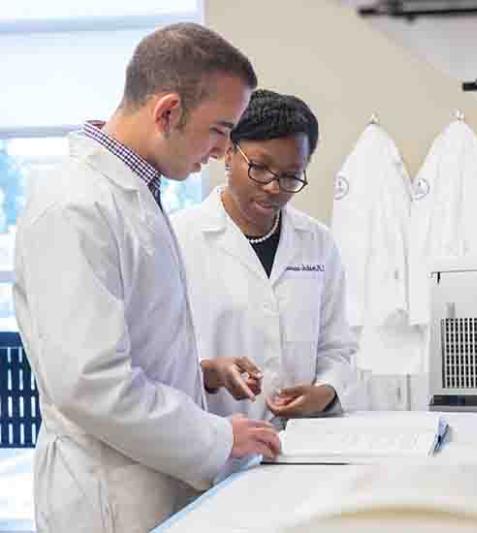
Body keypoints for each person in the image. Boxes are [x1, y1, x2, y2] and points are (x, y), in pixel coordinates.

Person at [13, 24, 280, 533]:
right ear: (168, 112)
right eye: (221, 131)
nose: (224, 152)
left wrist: (198, 370)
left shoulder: (133, 194)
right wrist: (217, 438)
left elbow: (132, 340)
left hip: (148, 481)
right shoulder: (74, 206)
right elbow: (91, 383)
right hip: (108, 496)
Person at [171, 89, 356, 423]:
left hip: (302, 446)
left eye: (290, 175)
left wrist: (326, 391)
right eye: (259, 167)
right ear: (228, 152)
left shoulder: (317, 242)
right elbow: (159, 363)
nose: (274, 187)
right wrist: (210, 374)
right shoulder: (179, 239)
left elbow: (337, 347)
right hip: (214, 448)